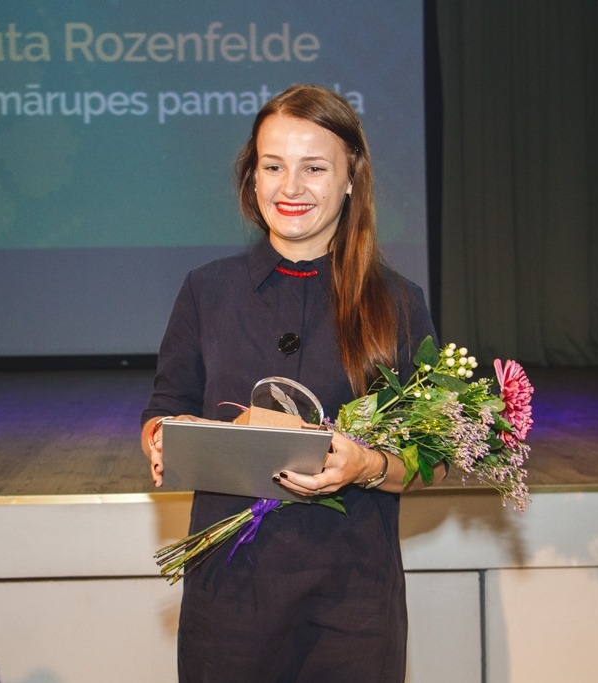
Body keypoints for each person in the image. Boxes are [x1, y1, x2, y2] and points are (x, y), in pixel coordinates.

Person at [140, 84, 442, 682]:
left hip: (352, 602)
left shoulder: (398, 302)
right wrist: (163, 437)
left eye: (314, 168)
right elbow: (165, 407)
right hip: (230, 599)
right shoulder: (206, 291)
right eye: (273, 166)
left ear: (352, 178)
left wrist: (366, 465)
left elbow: (430, 458)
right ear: (252, 177)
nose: (291, 187)